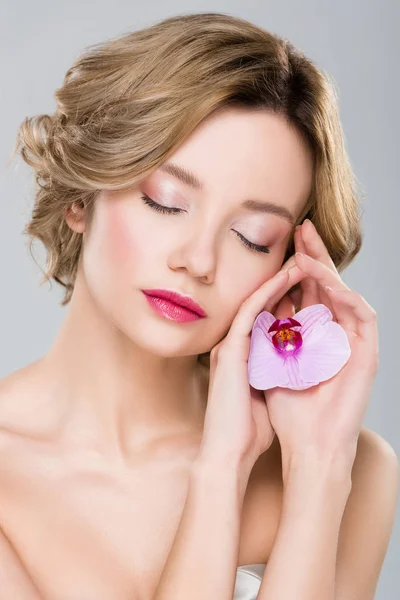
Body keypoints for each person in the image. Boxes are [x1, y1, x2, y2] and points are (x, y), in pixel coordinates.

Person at [1, 11, 398, 600]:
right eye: (165, 202)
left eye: (253, 236)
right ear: (80, 196)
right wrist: (221, 475)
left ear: (290, 263)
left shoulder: (348, 465)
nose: (199, 260)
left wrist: (313, 471)